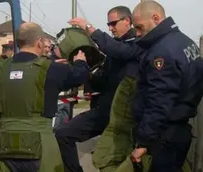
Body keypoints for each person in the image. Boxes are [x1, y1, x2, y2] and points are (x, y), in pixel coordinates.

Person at [55, 6, 143, 172]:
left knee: (121, 160)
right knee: (63, 134)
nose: (110, 28)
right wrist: (81, 67)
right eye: (108, 24)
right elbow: (101, 81)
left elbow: (118, 50)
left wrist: (88, 28)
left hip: (126, 118)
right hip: (105, 112)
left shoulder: (137, 44)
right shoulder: (114, 48)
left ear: (127, 21)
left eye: (113, 23)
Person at [0, 22, 89, 172]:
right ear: (39, 42)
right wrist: (80, 62)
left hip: (5, 144)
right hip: (40, 144)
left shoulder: (1, 69)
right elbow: (80, 76)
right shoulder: (51, 69)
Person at [130, 1, 203, 172]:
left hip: (165, 135)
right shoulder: (184, 41)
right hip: (180, 128)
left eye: (139, 27)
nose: (138, 34)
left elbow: (159, 102)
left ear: (156, 18)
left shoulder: (161, 51)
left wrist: (143, 142)